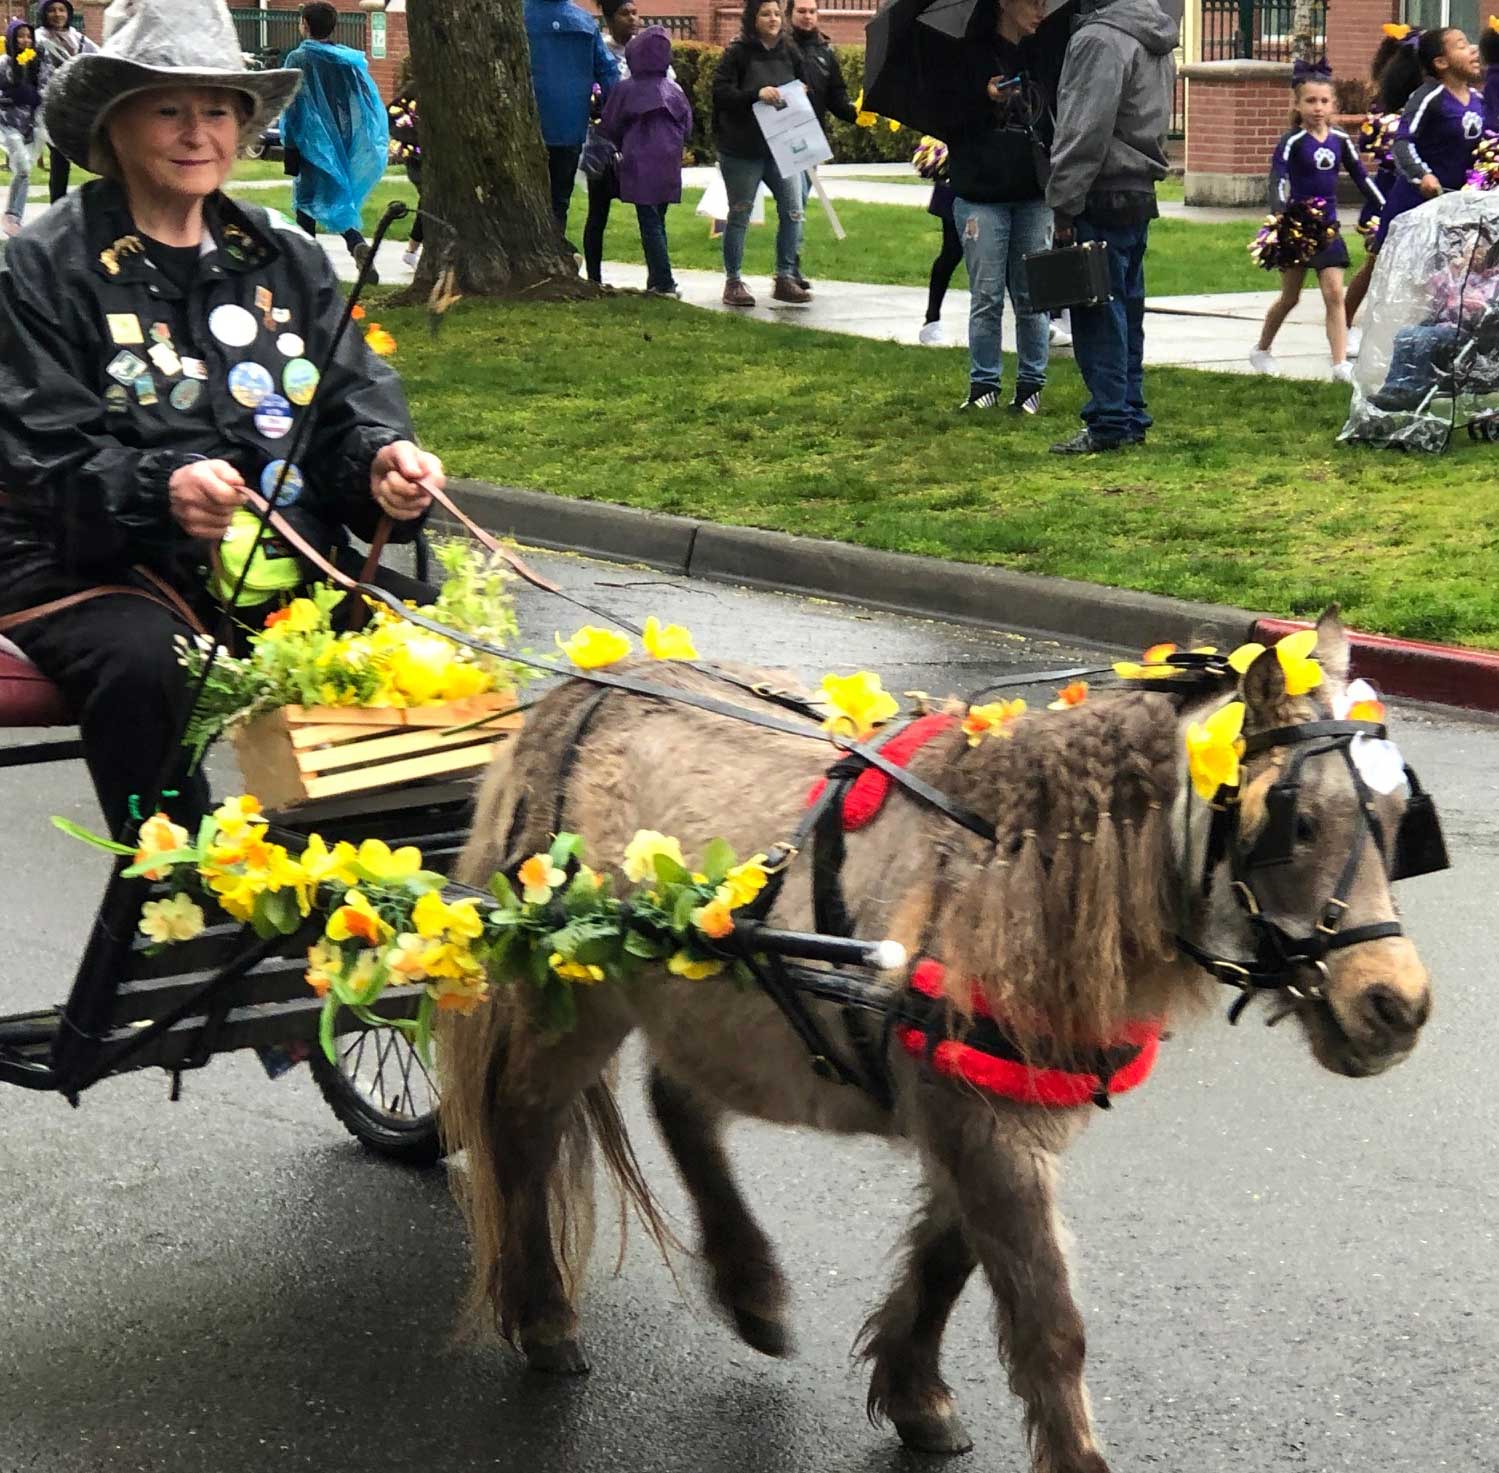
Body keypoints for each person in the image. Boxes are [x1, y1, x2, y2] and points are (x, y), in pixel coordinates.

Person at [0, 0, 443, 838]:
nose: (197, 132)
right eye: (168, 108)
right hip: (93, 564)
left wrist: (383, 464)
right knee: (146, 665)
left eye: (216, 110)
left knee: (420, 652)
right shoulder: (46, 261)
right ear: (115, 125)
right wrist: (162, 488)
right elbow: (40, 447)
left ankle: (364, 895)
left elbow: (350, 398)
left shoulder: (286, 257)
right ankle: (179, 898)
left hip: (273, 567)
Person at [1045, 0, 1178, 453]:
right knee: (1127, 311)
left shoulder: (1099, 39)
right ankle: (1129, 412)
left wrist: (1064, 203)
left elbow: (1085, 131)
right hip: (1138, 189)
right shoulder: (1155, 37)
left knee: (1098, 311)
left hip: (1100, 191)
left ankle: (1109, 421)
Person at [943, 0, 1075, 413]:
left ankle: (1031, 383)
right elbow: (947, 120)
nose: (1040, 10)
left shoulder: (1046, 51)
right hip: (981, 192)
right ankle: (984, 384)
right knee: (985, 295)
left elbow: (1058, 114)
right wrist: (983, 97)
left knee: (1031, 293)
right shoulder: (969, 54)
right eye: (1032, 2)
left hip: (1032, 192)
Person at [1248, 61, 1383, 382]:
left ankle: (1339, 366)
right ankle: (1262, 349)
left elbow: (1362, 178)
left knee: (1334, 293)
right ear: (1297, 104)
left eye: (1324, 101)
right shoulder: (1292, 141)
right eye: (1310, 101)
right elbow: (1278, 177)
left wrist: (1385, 206)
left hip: (1328, 227)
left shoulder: (1339, 139)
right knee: (1290, 297)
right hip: (1297, 226)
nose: (1318, 108)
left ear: (1333, 104)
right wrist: (1279, 211)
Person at [282, 1, 388, 283]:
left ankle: (308, 270)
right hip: (340, 142)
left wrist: (290, 144)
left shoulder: (298, 59)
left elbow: (291, 105)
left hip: (309, 143)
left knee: (306, 204)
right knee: (335, 198)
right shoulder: (344, 60)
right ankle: (357, 246)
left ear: (305, 24)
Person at [712, 0, 810, 308]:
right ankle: (733, 281)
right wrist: (756, 96)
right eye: (765, 13)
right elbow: (720, 93)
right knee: (740, 213)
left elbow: (801, 83)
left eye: (777, 14)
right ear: (752, 18)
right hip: (743, 148)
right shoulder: (738, 52)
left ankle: (785, 276)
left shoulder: (790, 51)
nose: (773, 19)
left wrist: (801, 92)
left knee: (794, 211)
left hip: (782, 146)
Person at [1375, 28, 1484, 256]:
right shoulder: (1428, 97)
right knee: (1379, 264)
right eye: (1462, 46)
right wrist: (1422, 175)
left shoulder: (1479, 101)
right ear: (1441, 62)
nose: (1473, 49)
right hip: (1414, 200)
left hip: (1456, 204)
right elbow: (1403, 142)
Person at [600, 25, 691, 297]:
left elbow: (610, 124)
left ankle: (663, 281)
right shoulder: (674, 90)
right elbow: (687, 126)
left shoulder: (626, 90)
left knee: (649, 222)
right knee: (657, 219)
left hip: (639, 164)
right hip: (668, 162)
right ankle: (656, 278)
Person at [525, 0, 619, 252]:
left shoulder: (519, 16)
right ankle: (553, 248)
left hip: (527, 126)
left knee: (523, 196)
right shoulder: (585, 22)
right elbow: (609, 72)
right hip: (569, 124)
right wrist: (612, 119)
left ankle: (532, 251)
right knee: (559, 197)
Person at [1369, 243, 1499, 411]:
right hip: (1442, 327)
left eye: (1478, 250)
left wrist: (1471, 301)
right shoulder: (1462, 275)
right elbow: (1432, 290)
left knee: (1425, 338)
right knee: (1406, 334)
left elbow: (1485, 308)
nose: (1473, 254)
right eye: (1469, 250)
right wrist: (1451, 272)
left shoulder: (1493, 280)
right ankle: (1393, 389)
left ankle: (1415, 391)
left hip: (1467, 333)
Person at [786, 0, 856, 289]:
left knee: (797, 205)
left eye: (812, 11)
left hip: (808, 142)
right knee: (779, 205)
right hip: (778, 136)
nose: (807, 16)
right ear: (790, 13)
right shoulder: (778, 49)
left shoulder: (826, 52)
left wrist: (859, 113)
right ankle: (775, 271)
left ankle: (790, 268)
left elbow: (836, 98)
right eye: (801, 11)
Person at [582, 0, 638, 285]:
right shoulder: (599, 50)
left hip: (638, 140)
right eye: (624, 14)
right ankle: (594, 277)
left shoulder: (646, 51)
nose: (632, 19)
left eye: (634, 13)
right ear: (609, 19)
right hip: (604, 142)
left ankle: (659, 276)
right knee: (598, 209)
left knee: (647, 210)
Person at [33, 0, 94, 204]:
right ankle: (56, 205)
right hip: (50, 108)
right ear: (44, 14)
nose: (57, 14)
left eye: (61, 10)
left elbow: (99, 57)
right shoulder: (38, 39)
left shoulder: (78, 38)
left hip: (77, 106)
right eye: (51, 10)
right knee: (59, 160)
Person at [912, 136, 960, 346]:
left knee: (1010, 256)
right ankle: (931, 320)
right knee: (952, 251)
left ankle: (1037, 318)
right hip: (959, 175)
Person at [0, 20, 47, 236]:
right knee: (23, 167)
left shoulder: (37, 62)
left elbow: (47, 85)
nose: (25, 40)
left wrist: (38, 96)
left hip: (32, 123)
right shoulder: (3, 64)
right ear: (11, 38)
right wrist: (8, 97)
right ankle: (12, 215)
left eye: (28, 36)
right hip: (7, 123)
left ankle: (13, 217)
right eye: (20, 36)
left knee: (24, 170)